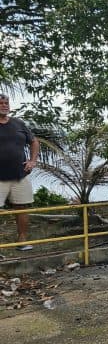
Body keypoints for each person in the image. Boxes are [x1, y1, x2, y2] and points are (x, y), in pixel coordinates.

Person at [0, 94, 39, 243]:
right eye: (1, 103)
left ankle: (22, 240)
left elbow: (34, 142)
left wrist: (32, 161)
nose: (4, 105)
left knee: (22, 207)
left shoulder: (18, 123)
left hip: (19, 176)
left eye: (6, 103)